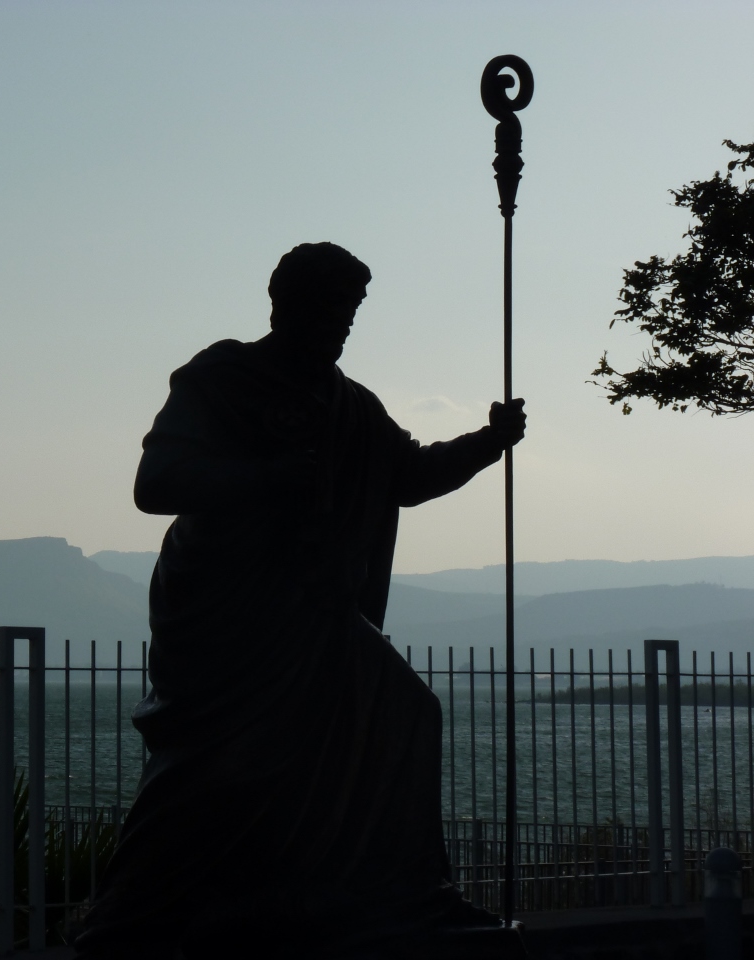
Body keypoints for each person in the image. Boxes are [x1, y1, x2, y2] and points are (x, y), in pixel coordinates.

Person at [73, 242, 527, 959]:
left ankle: (402, 894)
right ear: (285, 305)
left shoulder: (353, 405)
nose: (340, 325)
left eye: (350, 312)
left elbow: (407, 475)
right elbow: (156, 483)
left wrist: (486, 443)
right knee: (217, 764)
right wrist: (265, 477)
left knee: (405, 713)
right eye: (329, 308)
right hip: (228, 610)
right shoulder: (224, 378)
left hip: (315, 610)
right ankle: (135, 919)